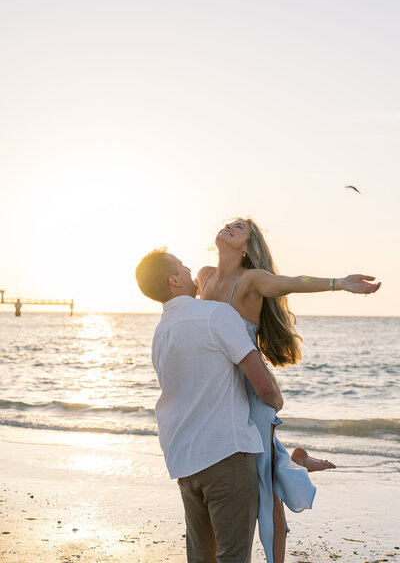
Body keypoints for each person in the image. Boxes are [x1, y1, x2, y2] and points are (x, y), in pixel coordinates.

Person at [196, 217, 382, 563]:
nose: (229, 226)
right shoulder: (203, 276)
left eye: (239, 228)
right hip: (218, 390)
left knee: (264, 487)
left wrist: (337, 283)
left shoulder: (251, 279)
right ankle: (293, 460)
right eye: (229, 223)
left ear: (247, 248)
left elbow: (289, 283)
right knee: (238, 467)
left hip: (251, 391)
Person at [135, 247, 285, 563]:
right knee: (233, 555)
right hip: (225, 455)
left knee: (202, 555)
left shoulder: (161, 332)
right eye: (183, 267)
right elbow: (263, 384)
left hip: (184, 458)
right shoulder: (214, 315)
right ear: (174, 280)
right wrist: (276, 402)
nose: (190, 270)